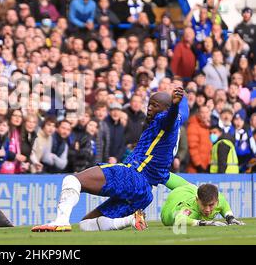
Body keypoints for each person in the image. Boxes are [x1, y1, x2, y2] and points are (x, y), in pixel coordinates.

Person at [31, 86, 188, 232]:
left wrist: (174, 106)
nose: (149, 108)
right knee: (86, 225)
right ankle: (130, 220)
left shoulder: (165, 119)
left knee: (72, 181)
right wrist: (181, 101)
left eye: (155, 105)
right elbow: (182, 113)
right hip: (145, 194)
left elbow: (170, 118)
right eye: (149, 104)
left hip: (132, 176)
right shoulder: (175, 123)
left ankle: (61, 220)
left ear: (166, 109)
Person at [161, 174, 245, 227]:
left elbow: (224, 205)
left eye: (211, 205)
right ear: (197, 200)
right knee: (160, 174)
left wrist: (230, 218)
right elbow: (179, 220)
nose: (207, 209)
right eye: (204, 205)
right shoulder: (189, 209)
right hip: (175, 200)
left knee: (163, 174)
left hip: (190, 189)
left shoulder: (218, 198)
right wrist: (206, 223)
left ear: (217, 201)